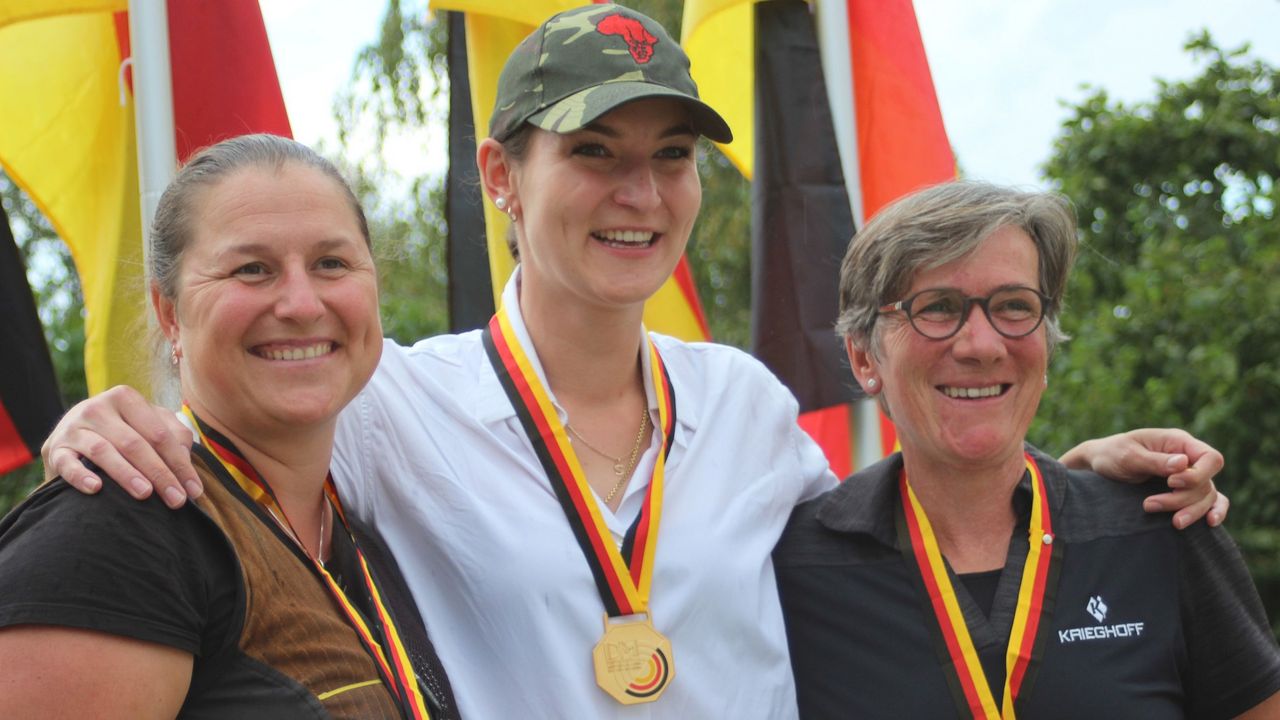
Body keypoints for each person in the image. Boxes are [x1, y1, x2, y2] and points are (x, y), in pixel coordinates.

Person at [38, 6, 1227, 718]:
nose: (637, 192)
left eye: (669, 156)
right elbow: (247, 430)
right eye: (595, 150)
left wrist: (1065, 478)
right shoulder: (389, 399)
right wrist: (106, 424)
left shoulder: (746, 405)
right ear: (502, 178)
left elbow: (901, 546)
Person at [774, 180, 1280, 718]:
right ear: (863, 358)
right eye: (938, 307)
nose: (982, 345)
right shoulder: (791, 566)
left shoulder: (1162, 527)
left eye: (1014, 306)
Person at [0, 135, 456, 718]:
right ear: (171, 314)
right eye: (252, 269)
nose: (301, 303)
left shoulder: (369, 528)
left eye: (331, 264)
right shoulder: (120, 530)